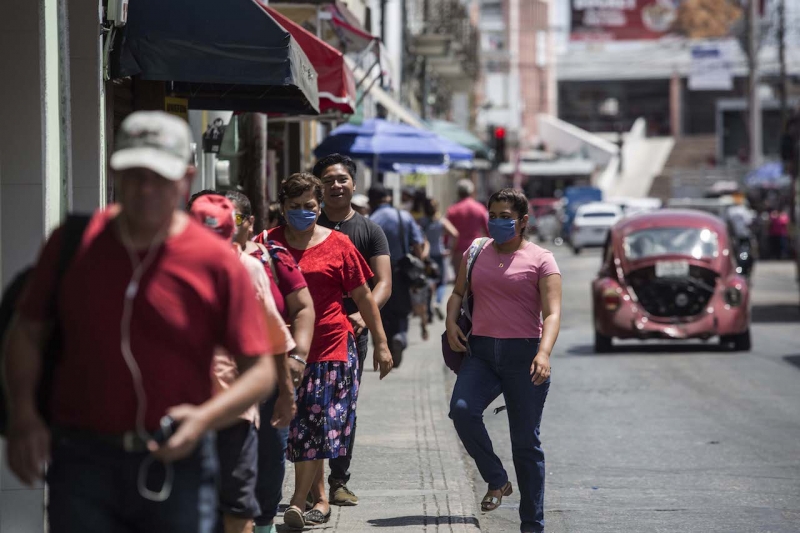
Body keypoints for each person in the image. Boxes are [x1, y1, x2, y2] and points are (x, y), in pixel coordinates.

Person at [4, 111, 280, 532]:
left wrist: (204, 419)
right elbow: (26, 333)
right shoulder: (73, 243)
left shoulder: (215, 262)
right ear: (115, 171)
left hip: (178, 461)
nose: (145, 189)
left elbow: (260, 371)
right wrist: (23, 416)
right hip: (82, 460)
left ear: (185, 180)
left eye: (159, 176)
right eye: (133, 174)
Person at [268, 173, 393, 530]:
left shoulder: (339, 244)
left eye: (310, 206)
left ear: (319, 206)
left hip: (331, 349)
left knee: (317, 425)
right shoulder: (268, 244)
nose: (304, 213)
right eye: (295, 207)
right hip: (282, 351)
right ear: (283, 208)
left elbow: (364, 297)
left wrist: (382, 343)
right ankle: (320, 499)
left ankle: (296, 500)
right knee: (301, 429)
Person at [446, 188, 562, 533]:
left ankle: (532, 524)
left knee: (526, 444)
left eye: (505, 217)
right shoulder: (476, 251)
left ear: (523, 221)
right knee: (462, 411)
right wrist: (451, 322)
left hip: (524, 356)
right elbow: (456, 293)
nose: (497, 222)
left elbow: (553, 313)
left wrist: (543, 352)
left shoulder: (542, 259)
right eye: (492, 215)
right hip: (480, 353)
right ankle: (496, 478)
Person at [189, 194, 296, 533]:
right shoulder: (168, 265)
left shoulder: (250, 268)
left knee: (237, 508)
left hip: (235, 409)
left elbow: (275, 336)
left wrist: (286, 392)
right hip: (181, 409)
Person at [225, 190, 316, 533]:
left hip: (264, 375)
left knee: (266, 454)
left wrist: (298, 355)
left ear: (249, 223)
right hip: (209, 380)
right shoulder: (185, 260)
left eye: (229, 219)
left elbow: (303, 307)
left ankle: (262, 522)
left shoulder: (270, 258)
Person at [314, 154, 392, 506]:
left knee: (343, 407)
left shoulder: (370, 230)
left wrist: (363, 317)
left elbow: (384, 283)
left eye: (342, 179)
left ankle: (338, 481)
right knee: (308, 407)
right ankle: (311, 488)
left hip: (350, 334)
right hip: (307, 332)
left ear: (353, 184)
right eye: (329, 179)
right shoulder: (304, 225)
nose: (336, 185)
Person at [368, 183, 425, 366]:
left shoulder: (371, 219)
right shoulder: (404, 216)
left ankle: (385, 344)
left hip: (375, 272)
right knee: (401, 311)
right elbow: (418, 245)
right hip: (400, 271)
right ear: (389, 198)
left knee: (381, 311)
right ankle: (400, 336)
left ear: (371, 200)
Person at [418, 197, 459, 321]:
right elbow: (455, 234)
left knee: (429, 282)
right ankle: (438, 302)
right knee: (441, 282)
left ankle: (429, 309)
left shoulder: (421, 222)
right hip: (439, 254)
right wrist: (450, 250)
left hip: (426, 256)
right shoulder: (441, 221)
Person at [446, 178, 488, 276]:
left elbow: (446, 233)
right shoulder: (480, 208)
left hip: (458, 250)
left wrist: (447, 246)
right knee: (475, 281)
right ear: (471, 191)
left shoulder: (453, 210)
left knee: (459, 282)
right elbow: (488, 230)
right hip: (476, 249)